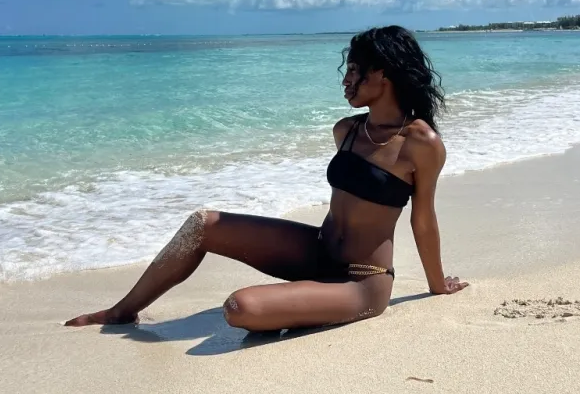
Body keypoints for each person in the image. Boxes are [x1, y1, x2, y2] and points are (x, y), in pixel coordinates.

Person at [66, 26, 468, 332]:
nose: (346, 80)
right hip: (317, 252)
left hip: (363, 280)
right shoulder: (346, 130)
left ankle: (308, 300)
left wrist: (436, 284)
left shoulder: (421, 143)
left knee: (239, 308)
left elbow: (423, 219)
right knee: (201, 225)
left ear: (383, 74)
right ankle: (122, 311)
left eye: (354, 71)